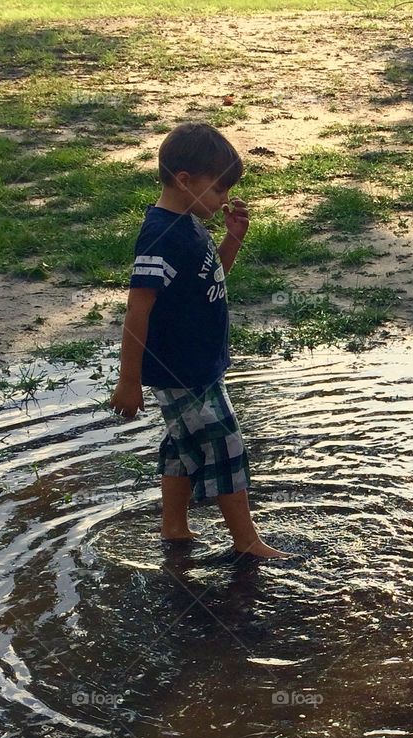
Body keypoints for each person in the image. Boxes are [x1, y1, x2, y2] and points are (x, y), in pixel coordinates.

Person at [109, 122, 290, 559]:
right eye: (218, 190)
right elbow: (139, 309)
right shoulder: (160, 236)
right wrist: (128, 380)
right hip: (181, 370)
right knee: (226, 446)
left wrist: (232, 240)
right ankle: (247, 542)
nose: (224, 199)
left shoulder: (190, 224)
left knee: (183, 445)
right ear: (184, 180)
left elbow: (211, 278)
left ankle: (174, 528)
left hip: (200, 365)